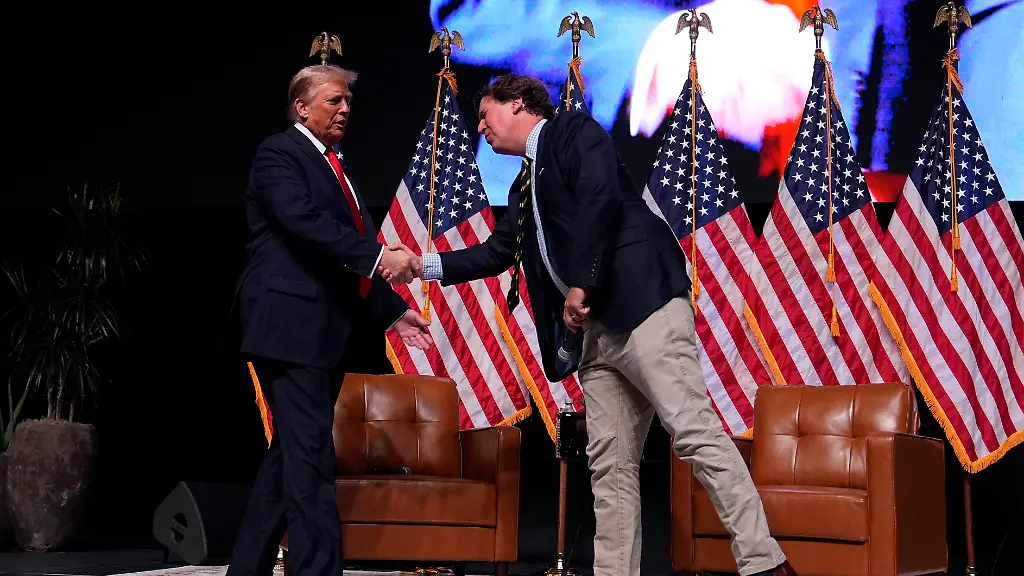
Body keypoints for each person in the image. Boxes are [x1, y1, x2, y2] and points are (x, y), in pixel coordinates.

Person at [383, 73, 794, 576]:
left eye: (486, 115)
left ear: (518, 104)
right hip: (595, 337)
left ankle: (765, 563)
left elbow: (600, 199)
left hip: (642, 305)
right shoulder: (521, 188)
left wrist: (582, 284)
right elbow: (495, 253)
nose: (483, 130)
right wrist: (420, 265)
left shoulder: (574, 131)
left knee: (691, 429)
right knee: (610, 465)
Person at [229, 64, 433, 576]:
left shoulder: (335, 167)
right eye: (333, 101)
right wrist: (381, 255)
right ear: (302, 107)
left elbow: (348, 247)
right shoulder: (280, 153)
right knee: (311, 458)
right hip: (289, 326)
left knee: (290, 458)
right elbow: (306, 225)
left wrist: (394, 310)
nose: (345, 110)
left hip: (320, 332)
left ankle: (244, 570)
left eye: (347, 102)